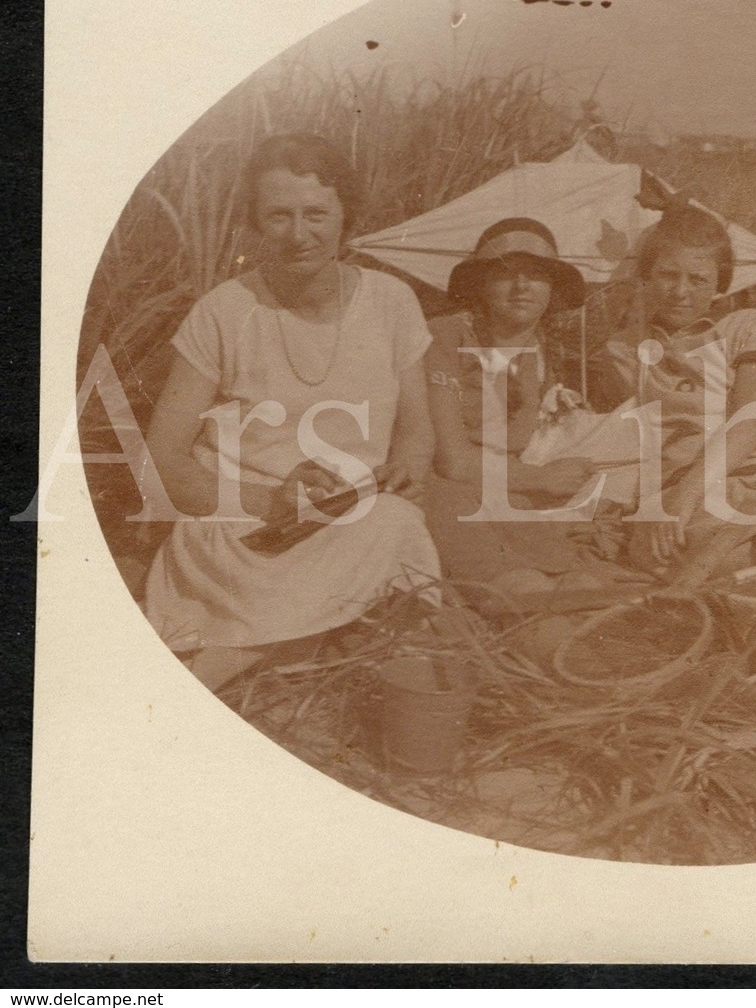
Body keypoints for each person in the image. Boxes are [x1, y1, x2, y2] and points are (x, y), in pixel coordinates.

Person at [143, 133, 440, 690]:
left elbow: (417, 429)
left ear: (345, 216)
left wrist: (408, 467)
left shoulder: (392, 301)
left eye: (317, 214)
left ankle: (237, 657)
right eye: (278, 216)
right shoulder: (224, 312)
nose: (299, 235)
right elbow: (161, 461)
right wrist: (269, 501)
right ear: (254, 223)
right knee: (374, 552)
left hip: (357, 516)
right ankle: (268, 654)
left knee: (394, 522)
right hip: (244, 524)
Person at [589, 204, 756, 586]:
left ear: (719, 283)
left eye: (698, 279)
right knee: (650, 548)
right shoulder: (624, 353)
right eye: (667, 275)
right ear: (645, 277)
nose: (681, 292)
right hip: (702, 496)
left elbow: (752, 420)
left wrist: (684, 497)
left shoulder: (748, 326)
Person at [421, 217, 605, 589]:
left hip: (508, 491)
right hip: (441, 490)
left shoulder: (540, 353)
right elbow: (451, 460)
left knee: (578, 585)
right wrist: (541, 479)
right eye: (506, 274)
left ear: (552, 288)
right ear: (481, 285)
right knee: (519, 589)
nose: (522, 286)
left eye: (537, 275)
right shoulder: (443, 336)